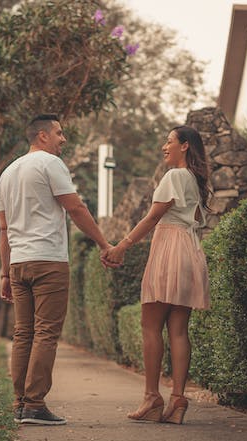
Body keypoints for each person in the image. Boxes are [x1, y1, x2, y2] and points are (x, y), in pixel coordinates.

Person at [0, 114, 115, 426]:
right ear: (42, 136)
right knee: (46, 332)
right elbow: (75, 207)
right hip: (48, 261)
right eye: (59, 133)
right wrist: (104, 243)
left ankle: (20, 402)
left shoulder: (7, 174)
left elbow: (3, 230)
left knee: (23, 333)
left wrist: (5, 274)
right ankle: (35, 405)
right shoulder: (50, 164)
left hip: (19, 262)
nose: (63, 139)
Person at [104, 126, 210, 424]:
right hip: (189, 251)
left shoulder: (174, 176)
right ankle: (177, 399)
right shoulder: (194, 180)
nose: (164, 146)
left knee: (150, 325)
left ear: (185, 146)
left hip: (169, 250)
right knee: (178, 329)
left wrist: (122, 246)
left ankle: (152, 397)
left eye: (169, 141)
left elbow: (153, 216)